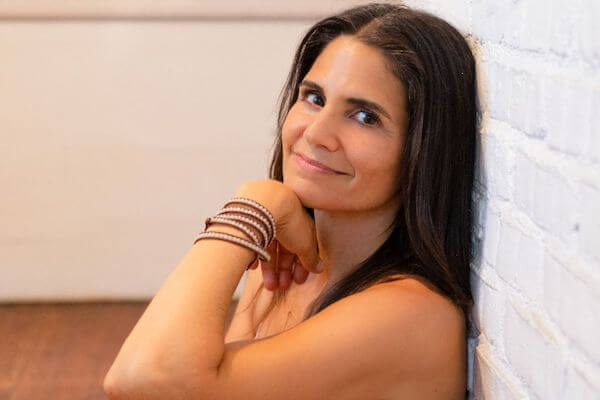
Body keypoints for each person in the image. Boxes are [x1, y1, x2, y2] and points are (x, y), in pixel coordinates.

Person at [104, 3, 478, 399]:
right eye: (314, 97)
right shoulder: (286, 262)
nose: (316, 133)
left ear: (424, 151)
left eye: (365, 117)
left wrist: (255, 203)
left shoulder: (411, 315)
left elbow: (144, 378)